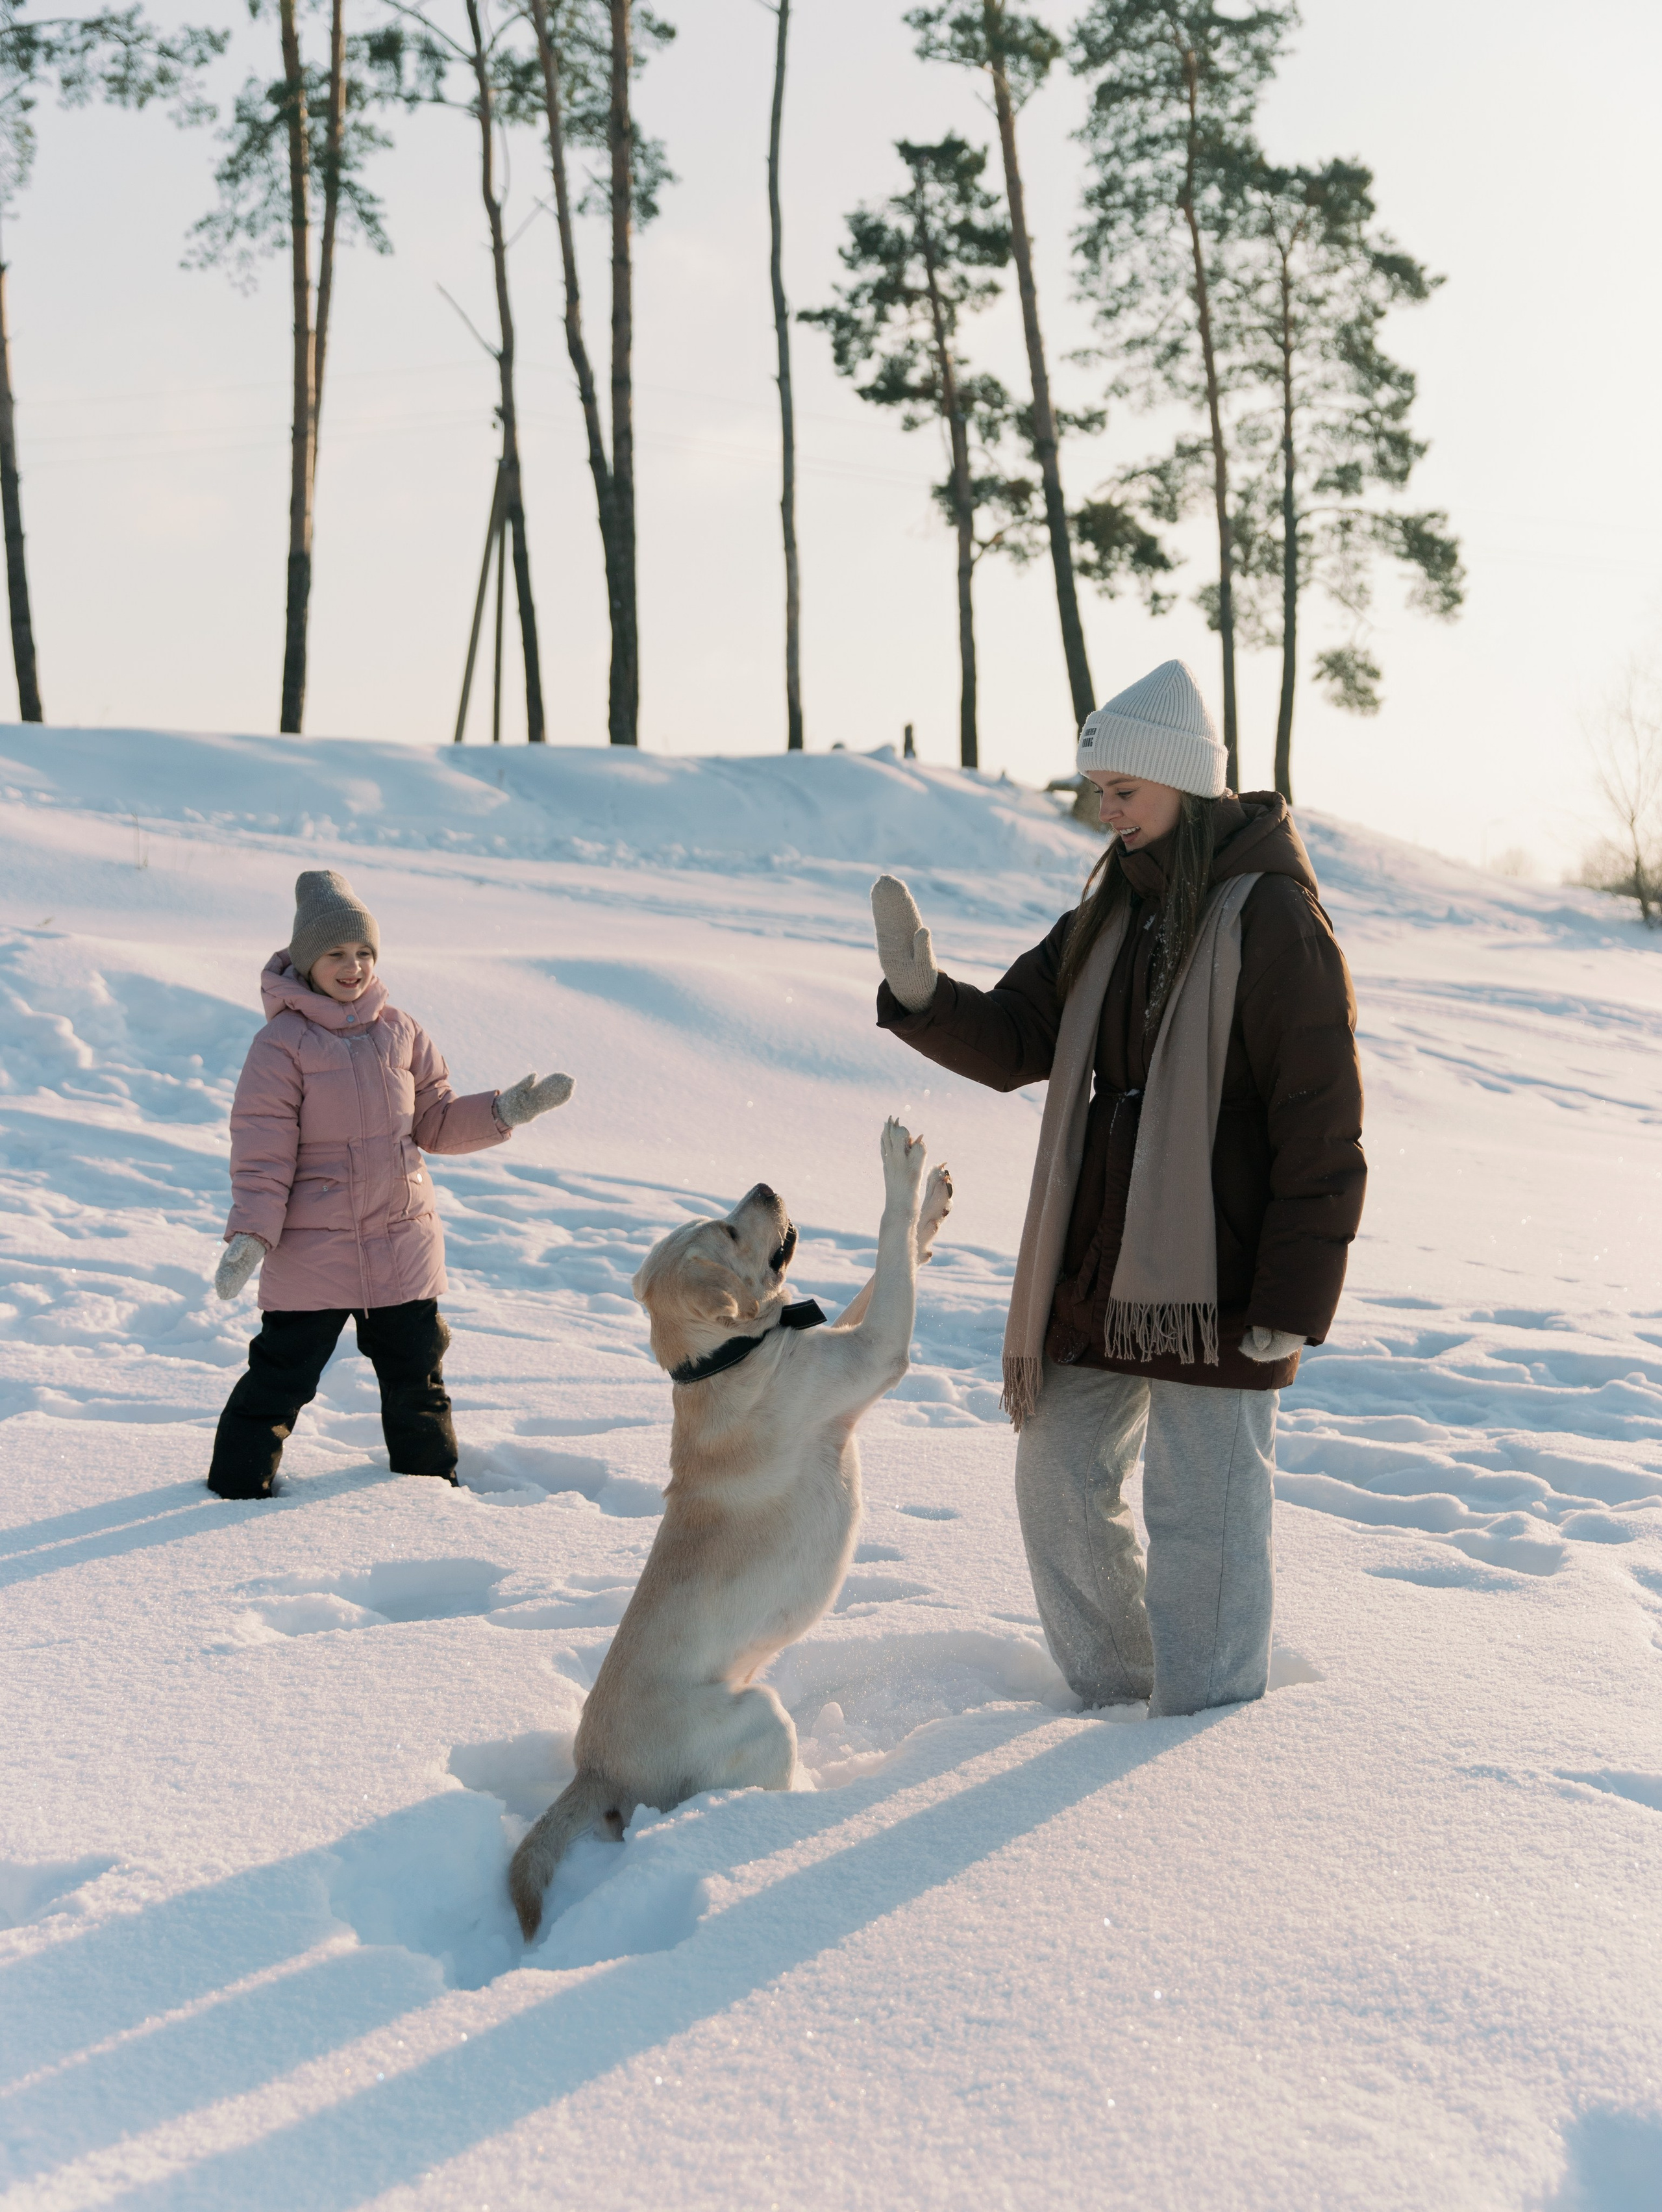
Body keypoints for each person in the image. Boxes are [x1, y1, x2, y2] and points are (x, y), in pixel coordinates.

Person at [869, 660, 1365, 1717]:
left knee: (1207, 1518)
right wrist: (922, 996)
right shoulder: (1109, 911)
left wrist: (1291, 1299)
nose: (1106, 810)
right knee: (1055, 1478)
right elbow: (1018, 1038)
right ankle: (1118, 1699)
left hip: (1223, 1279)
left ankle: (1208, 1726)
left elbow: (1320, 1124)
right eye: (1098, 791)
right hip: (1105, 1263)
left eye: (1123, 792)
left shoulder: (1274, 918)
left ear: (1183, 782)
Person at [207, 869, 574, 1500]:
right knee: (281, 1379)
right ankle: (233, 1492)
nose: (352, 967)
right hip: (312, 1249)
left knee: (418, 1379)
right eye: (336, 953)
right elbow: (262, 1151)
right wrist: (252, 1235)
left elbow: (433, 1120)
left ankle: (428, 1492)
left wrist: (504, 1111)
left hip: (400, 1241)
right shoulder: (281, 1045)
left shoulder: (400, 1030)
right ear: (307, 959)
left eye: (363, 953)